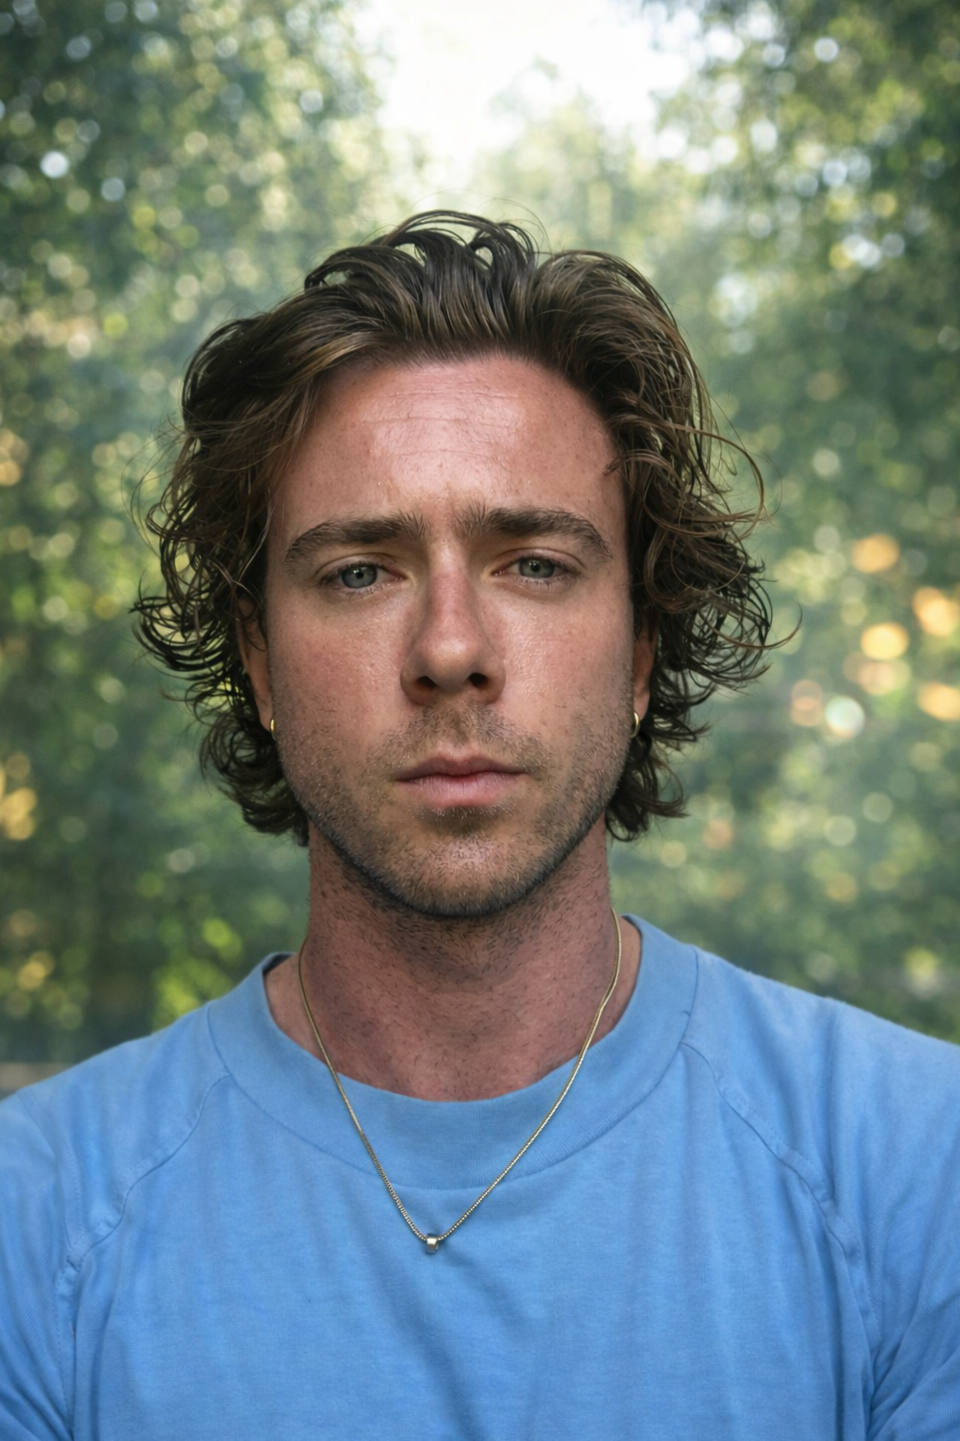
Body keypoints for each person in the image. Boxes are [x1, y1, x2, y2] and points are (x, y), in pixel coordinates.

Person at [1, 213, 958, 1440]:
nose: (450, 648)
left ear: (641, 651)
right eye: (361, 571)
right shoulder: (35, 1220)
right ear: (261, 662)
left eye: (535, 563)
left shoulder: (920, 1167)